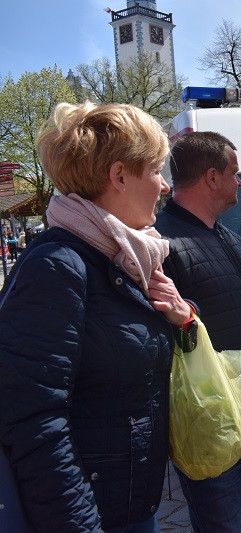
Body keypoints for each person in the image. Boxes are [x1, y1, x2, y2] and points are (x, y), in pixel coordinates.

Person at [0, 101, 188, 531]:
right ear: (119, 176)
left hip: (129, 502)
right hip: (96, 515)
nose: (163, 186)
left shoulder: (120, 258)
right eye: (156, 170)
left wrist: (181, 319)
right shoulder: (58, 266)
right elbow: (33, 421)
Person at [154, 131, 241, 533]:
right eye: (235, 172)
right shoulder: (162, 243)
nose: (240, 182)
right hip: (213, 421)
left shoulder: (228, 236)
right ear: (212, 177)